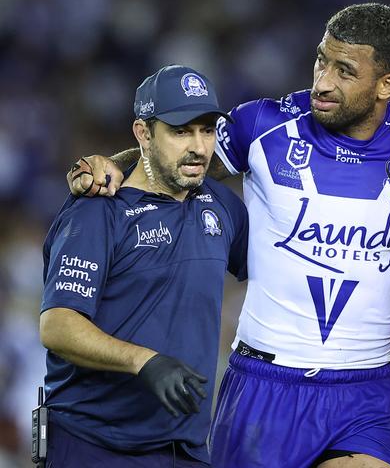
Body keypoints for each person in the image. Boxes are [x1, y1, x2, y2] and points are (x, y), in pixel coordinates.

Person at [66, 4, 390, 468]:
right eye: (321, 60)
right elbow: (175, 161)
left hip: (367, 389)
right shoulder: (263, 126)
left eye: (345, 71)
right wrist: (114, 163)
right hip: (263, 386)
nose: (322, 81)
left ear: (387, 84)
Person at [40, 65, 248, 467]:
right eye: (181, 131)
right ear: (143, 133)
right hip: (93, 444)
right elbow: (58, 325)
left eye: (207, 130)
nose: (200, 147)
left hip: (184, 450)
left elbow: (279, 272)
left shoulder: (222, 207)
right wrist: (144, 361)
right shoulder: (99, 213)